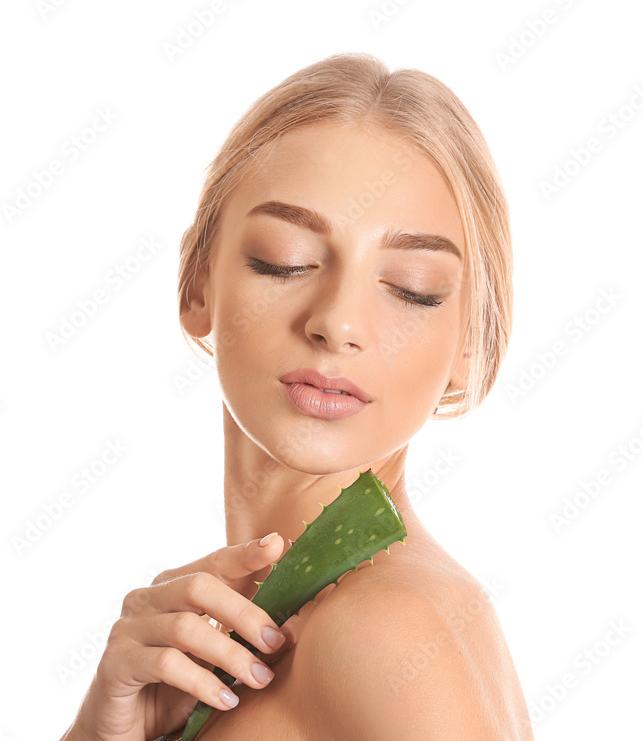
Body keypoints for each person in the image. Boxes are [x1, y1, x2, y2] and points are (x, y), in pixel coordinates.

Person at [61, 52, 532, 740]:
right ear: (197, 285)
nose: (337, 322)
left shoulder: (388, 627)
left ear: (468, 347)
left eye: (410, 287)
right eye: (286, 259)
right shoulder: (269, 620)